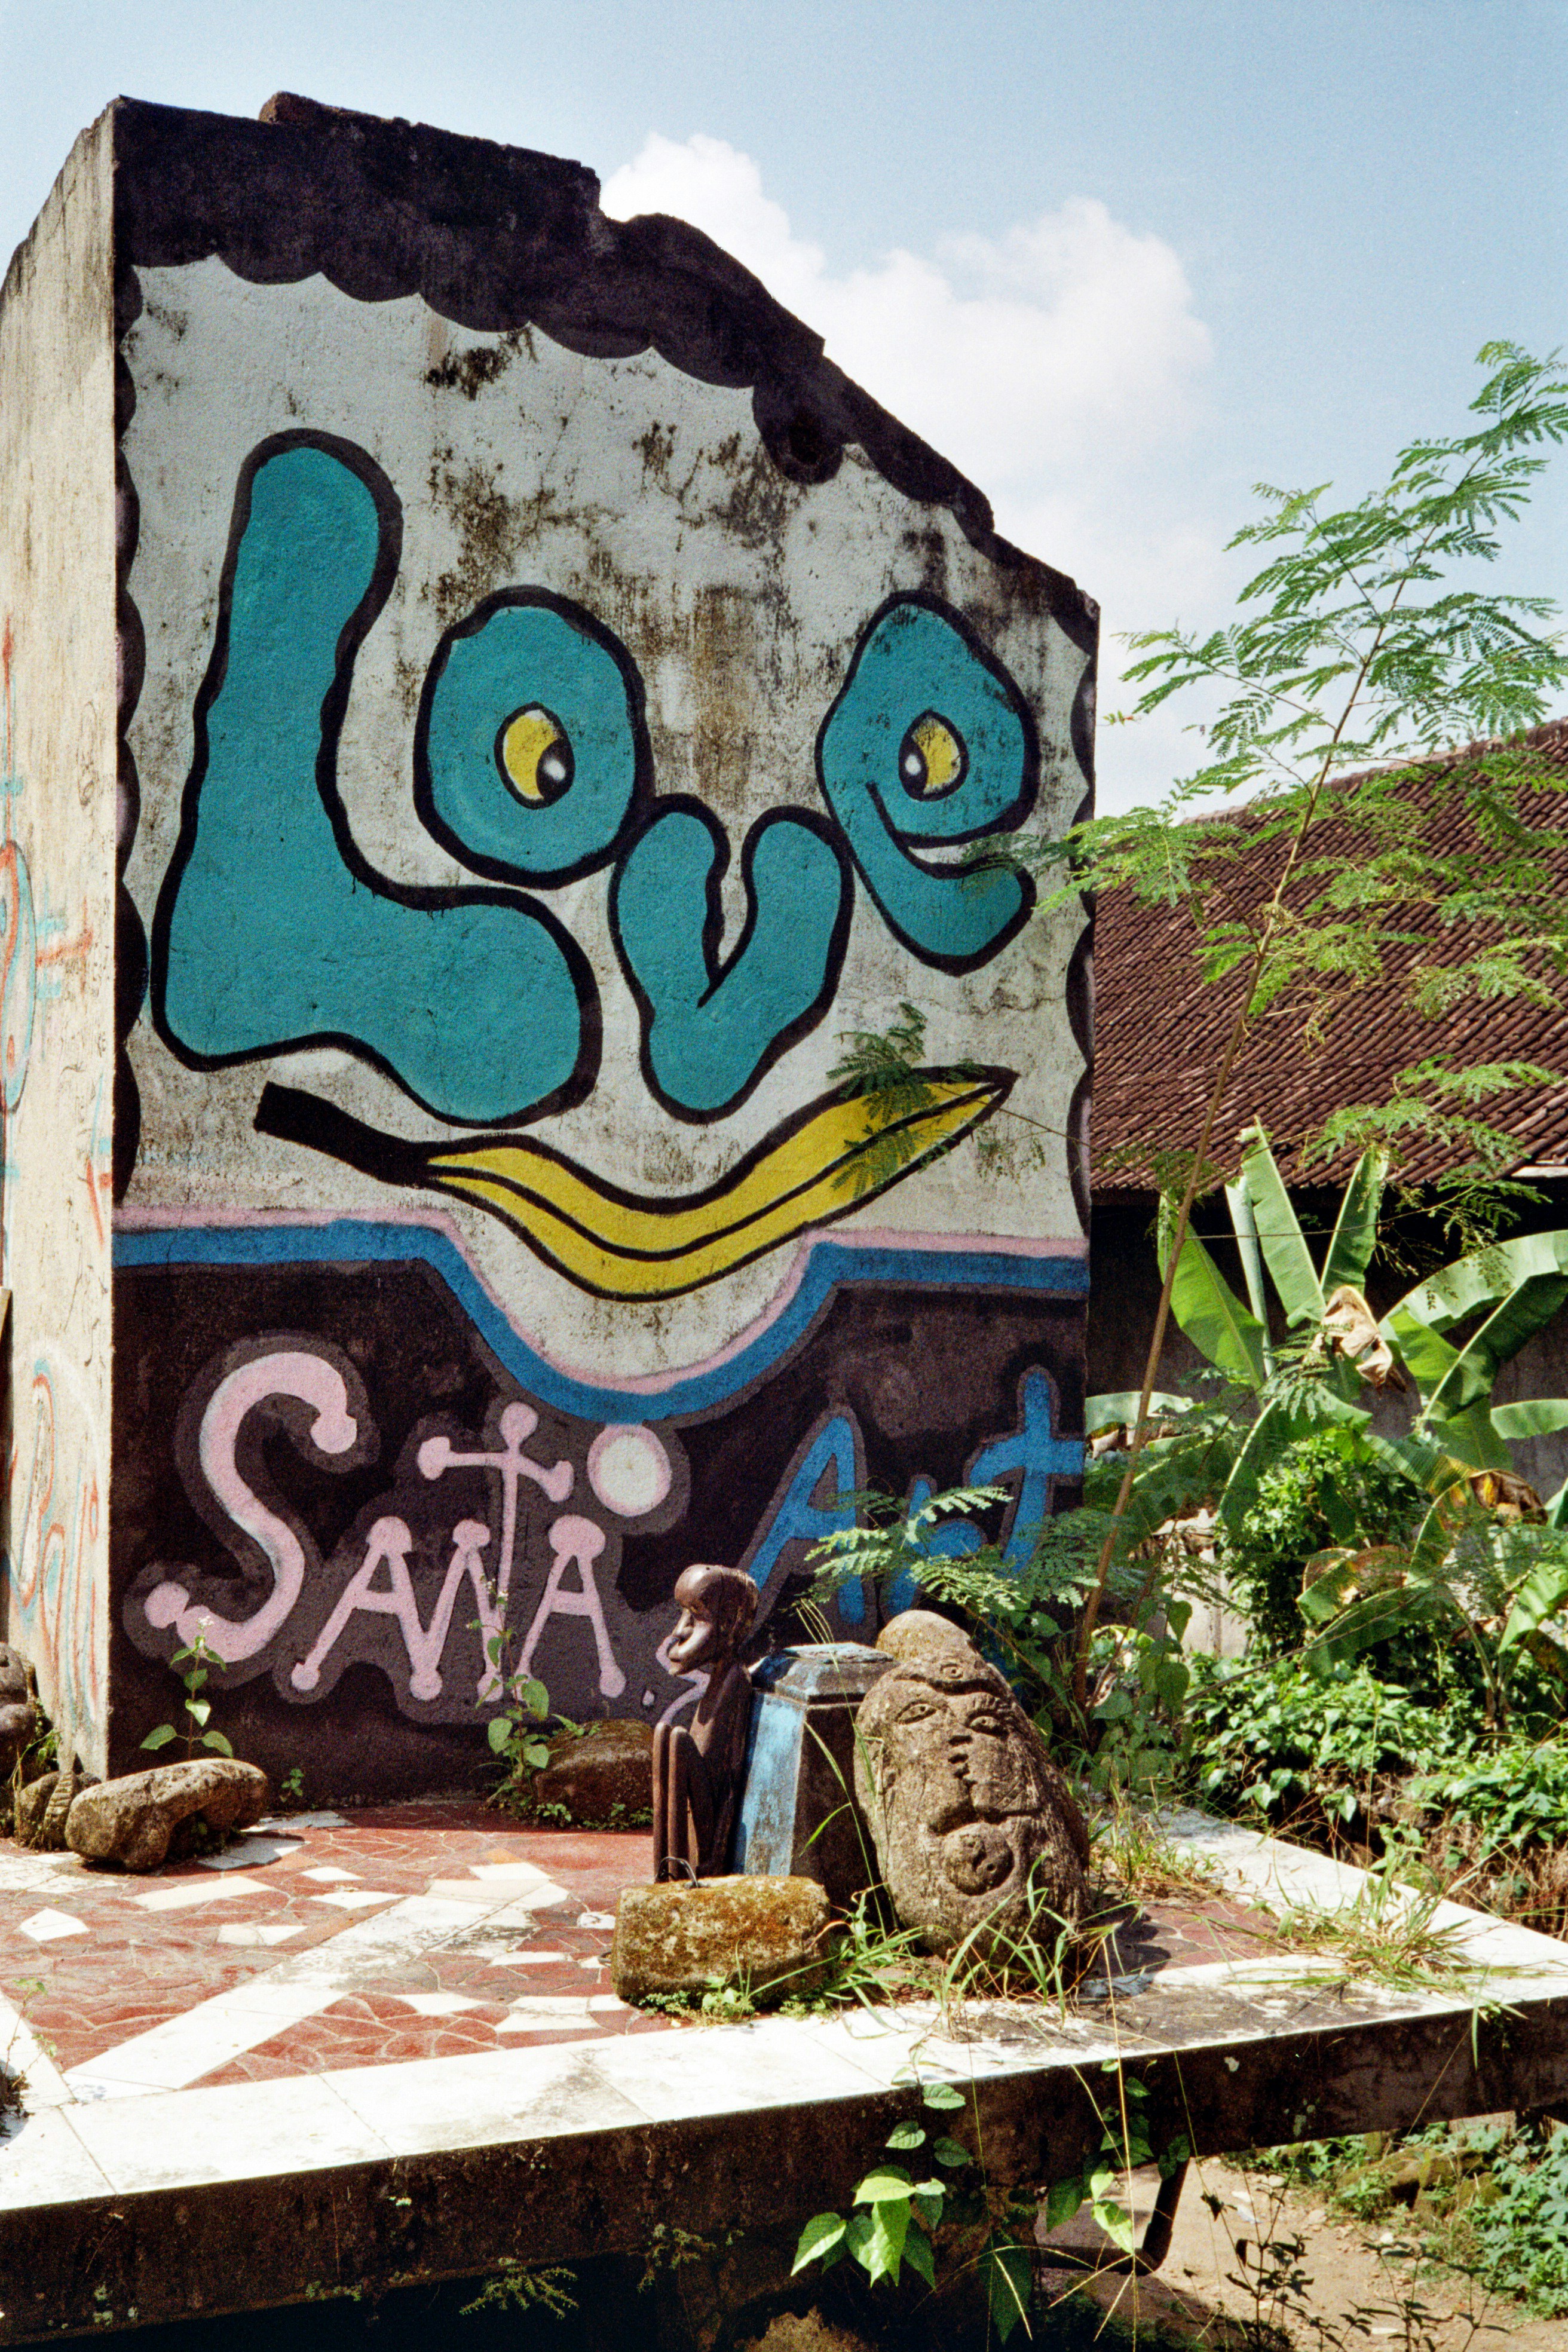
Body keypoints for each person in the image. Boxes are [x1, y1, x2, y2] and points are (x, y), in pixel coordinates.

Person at [652, 1563, 757, 1880]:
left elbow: (729, 1773)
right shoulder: (721, 1679)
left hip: (710, 1815)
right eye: (683, 1614)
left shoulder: (735, 1679)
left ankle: (677, 1867)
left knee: (678, 1739)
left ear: (730, 1623)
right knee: (665, 1736)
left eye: (696, 1616)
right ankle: (667, 1863)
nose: (681, 1631)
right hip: (701, 1801)